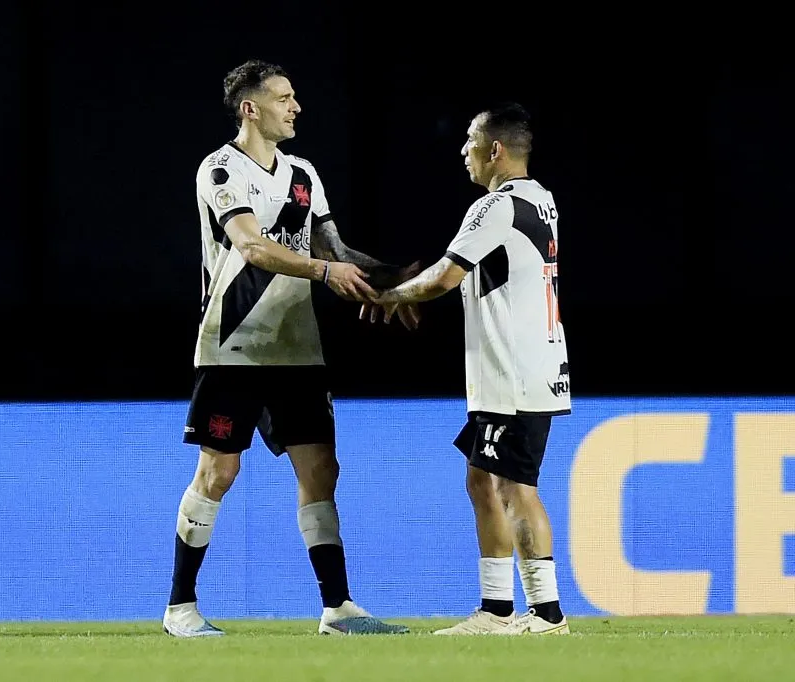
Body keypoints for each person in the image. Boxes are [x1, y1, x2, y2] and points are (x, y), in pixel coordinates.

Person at [163, 59, 418, 638]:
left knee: (321, 470)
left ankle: (338, 608)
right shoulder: (220, 169)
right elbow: (252, 247)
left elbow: (336, 251)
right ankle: (181, 607)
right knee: (218, 472)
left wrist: (392, 283)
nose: (296, 107)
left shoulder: (304, 173)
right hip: (234, 345)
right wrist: (326, 272)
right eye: (284, 98)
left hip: (298, 349)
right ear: (250, 108)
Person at [364, 102, 571, 635]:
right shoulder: (541, 200)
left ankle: (546, 613)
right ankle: (497, 610)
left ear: (494, 149)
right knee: (483, 480)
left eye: (471, 141)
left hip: (514, 372)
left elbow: (443, 277)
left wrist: (388, 296)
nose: (463, 151)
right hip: (521, 368)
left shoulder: (495, 207)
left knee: (514, 487)